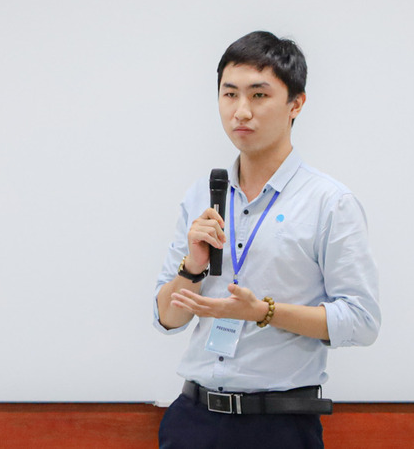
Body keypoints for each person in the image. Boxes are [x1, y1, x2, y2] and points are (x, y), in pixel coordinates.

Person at [153, 31, 380, 448]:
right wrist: (193, 267)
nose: (241, 111)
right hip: (193, 421)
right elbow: (167, 318)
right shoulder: (202, 195)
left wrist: (263, 312)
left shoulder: (329, 202)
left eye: (259, 95)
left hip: (278, 426)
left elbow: (361, 321)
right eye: (229, 94)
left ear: (296, 103)